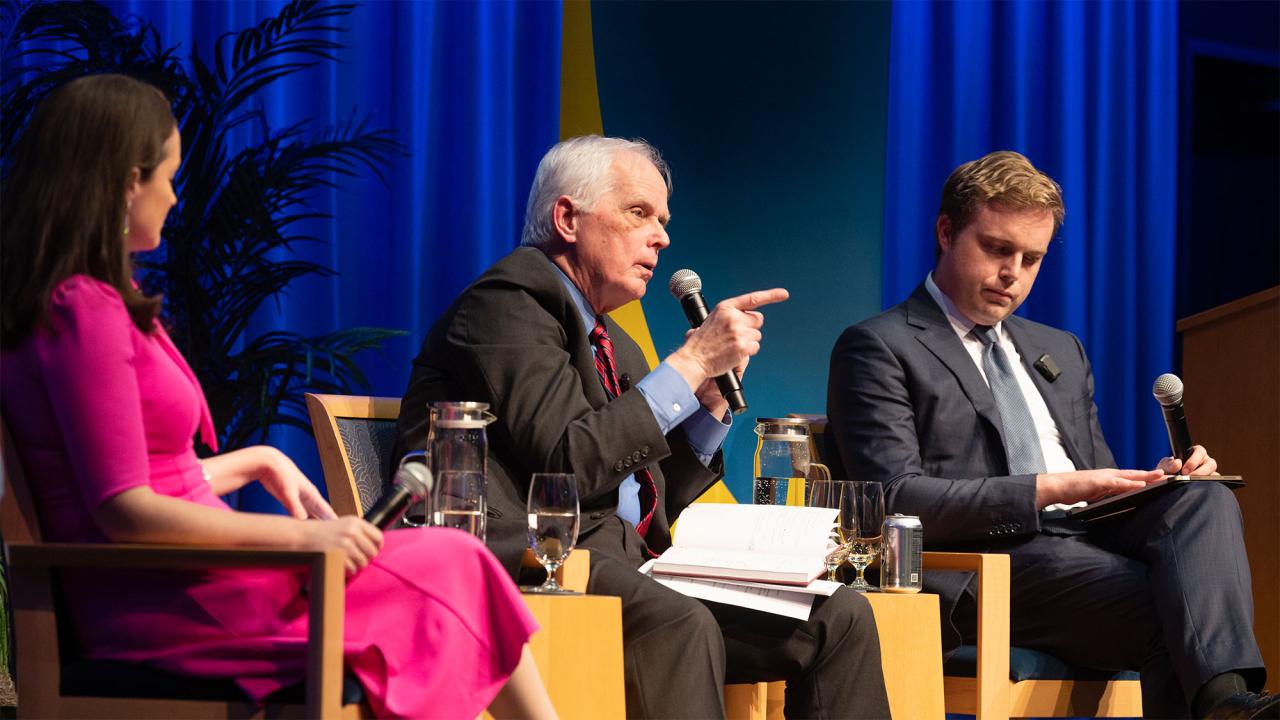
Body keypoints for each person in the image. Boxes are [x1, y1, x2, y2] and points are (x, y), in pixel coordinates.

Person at [0, 74, 557, 720]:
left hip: (181, 584)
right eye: (168, 177)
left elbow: (129, 474)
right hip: (176, 605)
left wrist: (256, 459)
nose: (176, 197)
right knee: (453, 563)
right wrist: (302, 541)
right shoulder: (83, 310)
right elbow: (125, 509)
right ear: (128, 181)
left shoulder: (72, 303)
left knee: (456, 563)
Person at [395, 135, 891, 719]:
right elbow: (568, 463)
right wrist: (688, 363)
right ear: (567, 218)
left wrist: (706, 405)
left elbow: (644, 496)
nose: (661, 236)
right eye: (639, 213)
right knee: (678, 622)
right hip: (526, 561)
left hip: (627, 564)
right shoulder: (505, 304)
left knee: (839, 615)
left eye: (662, 219)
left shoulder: (614, 339)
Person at [827, 150, 1275, 719]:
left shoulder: (1058, 347)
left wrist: (1157, 483)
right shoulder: (881, 346)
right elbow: (891, 499)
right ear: (946, 232)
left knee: (1202, 498)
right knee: (1181, 609)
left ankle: (1225, 705)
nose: (1013, 273)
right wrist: (1045, 489)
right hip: (982, 565)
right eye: (996, 249)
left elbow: (1096, 485)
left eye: (1031, 258)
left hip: (1083, 544)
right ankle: (1226, 706)